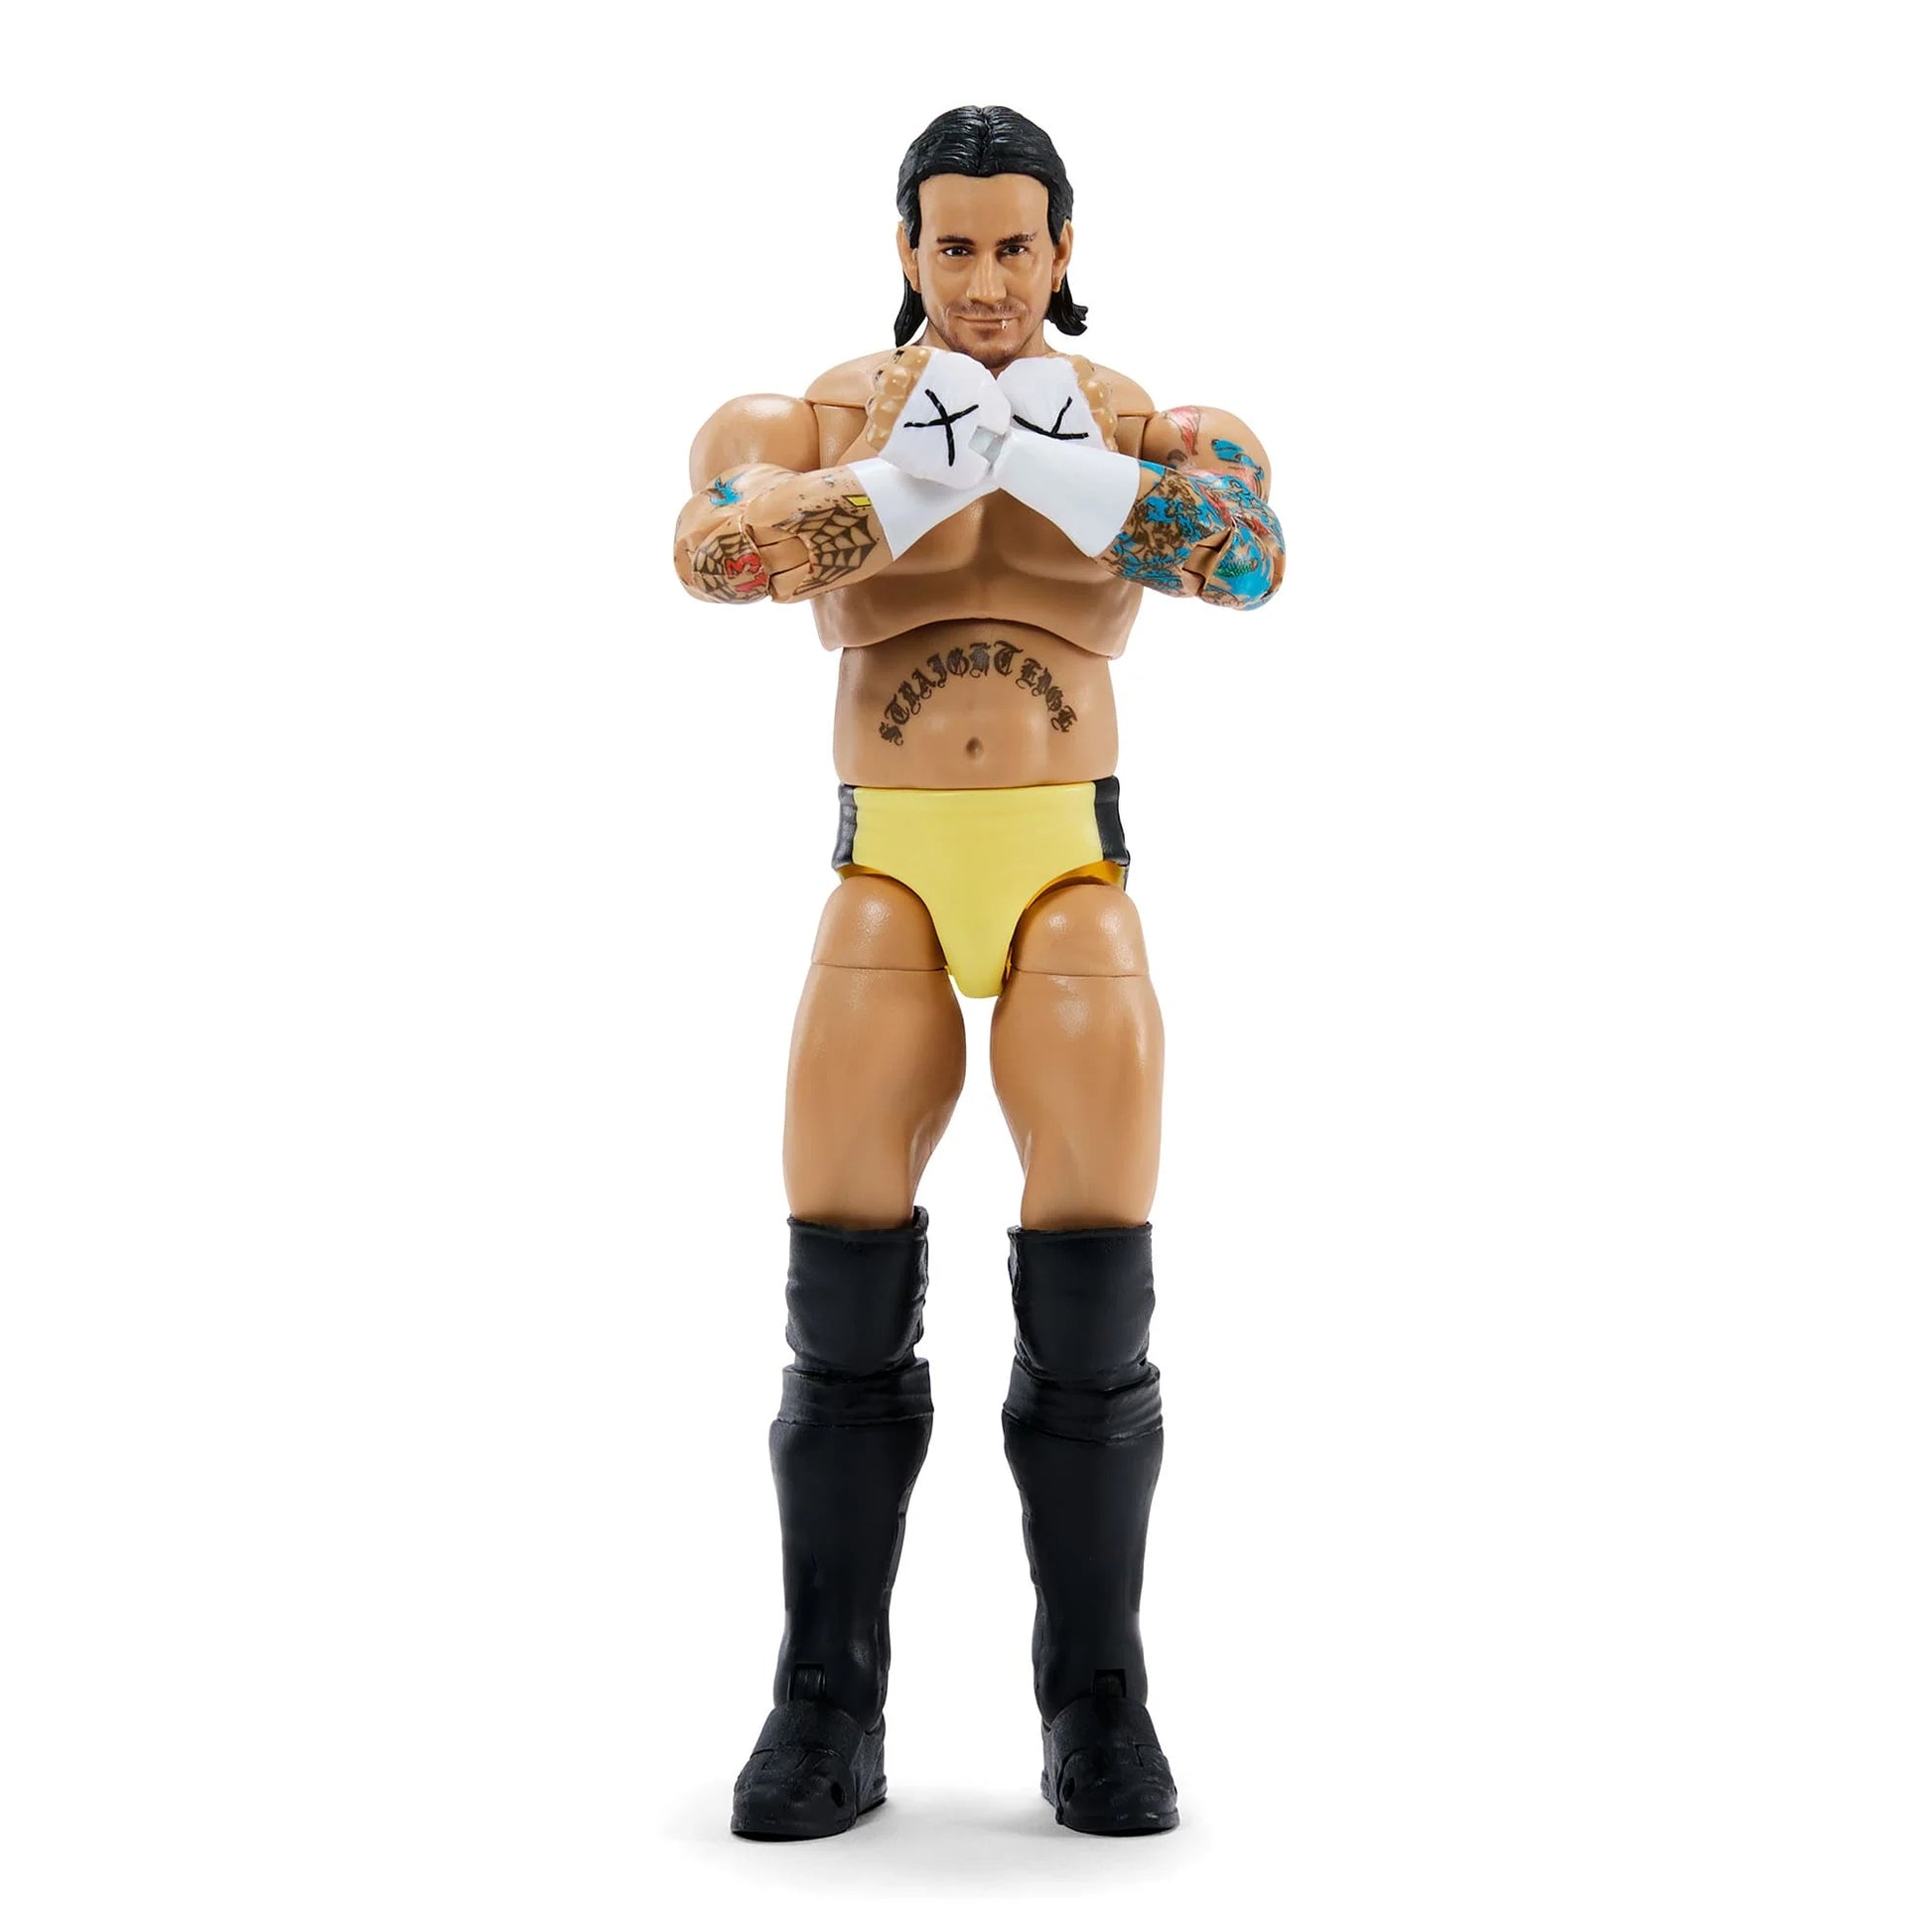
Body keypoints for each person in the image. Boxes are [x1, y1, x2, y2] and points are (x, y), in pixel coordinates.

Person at [672, 103, 1284, 1840]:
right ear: (906, 248)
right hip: (886, 863)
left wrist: (1065, 473)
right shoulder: (815, 416)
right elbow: (712, 550)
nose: (989, 280)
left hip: (1065, 866)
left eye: (1017, 246)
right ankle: (823, 1698)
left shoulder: (1139, 417)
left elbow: (1247, 555)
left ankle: (1099, 1699)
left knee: (1092, 1277)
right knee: (840, 1264)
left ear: (1063, 249)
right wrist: (901, 484)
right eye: (955, 246)